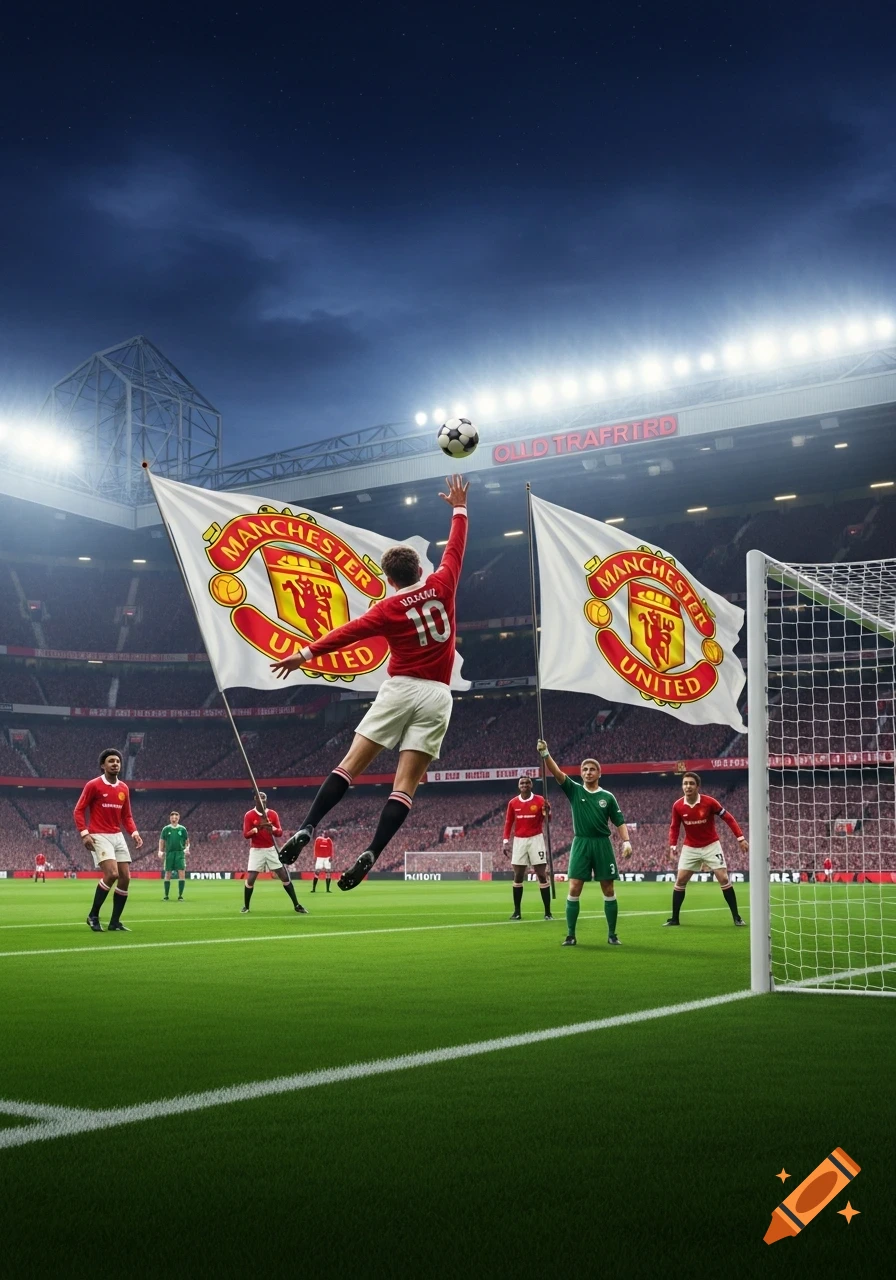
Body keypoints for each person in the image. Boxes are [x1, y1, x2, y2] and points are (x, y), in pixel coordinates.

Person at [272, 474, 469, 891]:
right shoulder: (442, 583)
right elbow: (455, 548)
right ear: (419, 569)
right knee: (405, 787)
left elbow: (344, 634)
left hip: (399, 690)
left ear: (391, 579)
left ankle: (308, 826)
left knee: (350, 766)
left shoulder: (384, 609)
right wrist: (458, 507)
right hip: (438, 696)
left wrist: (303, 655)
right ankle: (374, 851)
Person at [536, 740, 631, 946]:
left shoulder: (608, 797)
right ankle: (570, 934)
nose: (588, 772)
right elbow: (557, 773)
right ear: (581, 773)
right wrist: (546, 754)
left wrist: (626, 842)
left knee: (608, 889)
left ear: (599, 773)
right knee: (574, 887)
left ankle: (612, 934)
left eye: (592, 769)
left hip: (602, 844)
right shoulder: (575, 790)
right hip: (581, 844)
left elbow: (619, 821)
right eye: (585, 769)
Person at [74, 748, 143, 933]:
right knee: (111, 874)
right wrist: (84, 833)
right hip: (99, 834)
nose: (115, 764)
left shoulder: (123, 788)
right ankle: (93, 915)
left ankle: (115, 922)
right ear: (103, 765)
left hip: (117, 835)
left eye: (118, 761)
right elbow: (78, 810)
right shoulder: (93, 785)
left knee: (125, 878)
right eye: (111, 761)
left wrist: (134, 833)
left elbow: (127, 816)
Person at [666, 772, 747, 927]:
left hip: (711, 845)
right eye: (685, 783)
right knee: (680, 880)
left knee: (723, 878)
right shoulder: (677, 805)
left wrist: (740, 838)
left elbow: (728, 817)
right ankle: (675, 919)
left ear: (697, 786)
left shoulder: (709, 802)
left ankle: (736, 917)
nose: (687, 786)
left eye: (691, 783)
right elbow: (674, 827)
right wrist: (673, 845)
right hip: (690, 847)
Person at [241, 792, 307, 915]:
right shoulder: (249, 815)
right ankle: (246, 906)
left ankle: (296, 904)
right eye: (259, 798)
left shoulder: (272, 814)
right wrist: (257, 829)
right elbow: (245, 834)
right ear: (255, 800)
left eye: (264, 798)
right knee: (251, 879)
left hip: (271, 849)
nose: (262, 800)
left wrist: (273, 829)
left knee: (284, 876)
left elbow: (280, 832)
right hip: (256, 850)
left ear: (266, 800)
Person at [502, 775, 553, 920]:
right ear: (519, 786)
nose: (524, 785)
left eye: (527, 782)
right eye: (522, 783)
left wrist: (547, 811)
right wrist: (505, 840)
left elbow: (548, 820)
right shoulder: (513, 802)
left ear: (531, 785)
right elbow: (508, 822)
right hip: (519, 840)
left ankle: (548, 912)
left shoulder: (541, 800)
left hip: (536, 839)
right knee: (518, 876)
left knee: (542, 875)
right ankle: (517, 912)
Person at [158, 810, 190, 901]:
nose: (174, 818)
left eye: (176, 816)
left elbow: (187, 841)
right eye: (172, 816)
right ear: (170, 818)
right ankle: (166, 895)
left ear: (178, 818)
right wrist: (160, 851)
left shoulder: (182, 829)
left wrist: (187, 848)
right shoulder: (166, 829)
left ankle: (180, 896)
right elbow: (162, 840)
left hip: (180, 853)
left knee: (181, 873)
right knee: (168, 873)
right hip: (169, 853)